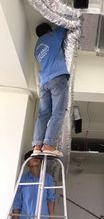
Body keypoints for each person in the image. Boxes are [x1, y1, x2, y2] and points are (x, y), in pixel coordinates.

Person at [32, 23, 69, 157]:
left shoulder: (37, 47)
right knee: (58, 112)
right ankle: (48, 145)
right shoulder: (51, 36)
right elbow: (66, 25)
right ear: (48, 31)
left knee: (43, 115)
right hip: (57, 78)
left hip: (44, 81)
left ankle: (37, 146)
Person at [12, 151, 55, 219]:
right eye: (32, 157)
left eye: (37, 157)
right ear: (28, 163)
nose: (36, 158)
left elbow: (50, 200)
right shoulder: (22, 179)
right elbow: (16, 203)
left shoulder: (48, 178)